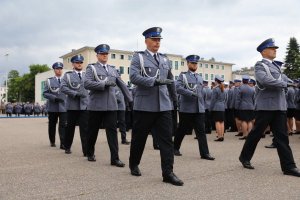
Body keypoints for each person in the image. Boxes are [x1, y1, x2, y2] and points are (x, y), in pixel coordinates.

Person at [129, 27, 183, 186]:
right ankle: (134, 163)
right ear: (146, 41)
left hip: (164, 106)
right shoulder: (138, 58)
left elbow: (170, 80)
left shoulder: (165, 59)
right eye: (154, 40)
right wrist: (153, 81)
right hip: (144, 105)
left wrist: (174, 100)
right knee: (139, 138)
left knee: (167, 140)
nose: (157, 43)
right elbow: (133, 77)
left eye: (159, 40)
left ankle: (168, 173)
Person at [239, 38, 300, 177]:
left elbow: (286, 80)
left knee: (282, 137)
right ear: (264, 51)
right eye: (272, 48)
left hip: (279, 106)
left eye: (275, 48)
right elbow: (265, 80)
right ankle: (244, 157)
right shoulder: (260, 66)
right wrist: (286, 84)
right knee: (256, 134)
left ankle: (289, 167)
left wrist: (292, 83)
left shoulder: (276, 67)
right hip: (266, 106)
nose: (275, 50)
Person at [84, 44, 132, 167]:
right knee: (92, 131)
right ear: (97, 55)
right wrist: (103, 85)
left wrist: (130, 99)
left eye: (106, 54)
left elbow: (122, 85)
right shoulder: (92, 68)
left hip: (111, 105)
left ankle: (115, 158)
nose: (105, 56)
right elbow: (87, 84)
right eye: (102, 54)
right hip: (96, 105)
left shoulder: (113, 70)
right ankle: (90, 153)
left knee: (112, 132)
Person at [173, 55, 214, 160]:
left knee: (201, 131)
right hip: (187, 108)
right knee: (182, 130)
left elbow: (201, 92)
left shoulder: (199, 77)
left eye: (196, 63)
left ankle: (205, 153)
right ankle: (174, 148)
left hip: (199, 109)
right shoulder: (183, 76)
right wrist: (190, 93)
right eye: (192, 63)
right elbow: (177, 88)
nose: (194, 65)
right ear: (188, 64)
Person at [60, 55, 88, 156]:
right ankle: (67, 147)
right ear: (73, 64)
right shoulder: (67, 75)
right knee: (70, 128)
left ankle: (86, 151)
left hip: (84, 106)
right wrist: (75, 93)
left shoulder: (87, 75)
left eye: (81, 62)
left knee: (85, 129)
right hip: (72, 106)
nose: (79, 64)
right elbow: (63, 87)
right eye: (77, 62)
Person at [43, 62, 67, 149]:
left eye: (60, 69)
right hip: (52, 107)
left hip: (64, 107)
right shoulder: (49, 81)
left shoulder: (66, 80)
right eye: (57, 69)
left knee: (63, 125)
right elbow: (45, 93)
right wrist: (54, 98)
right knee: (52, 125)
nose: (59, 70)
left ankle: (63, 143)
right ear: (54, 70)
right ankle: (52, 141)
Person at [235, 75, 255, 140]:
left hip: (243, 107)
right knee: (249, 121)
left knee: (244, 121)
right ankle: (249, 134)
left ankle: (245, 134)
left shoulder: (240, 88)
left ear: (243, 80)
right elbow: (253, 99)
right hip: (251, 106)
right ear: (248, 81)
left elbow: (238, 99)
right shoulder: (252, 88)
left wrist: (236, 107)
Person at [210, 75, 226, 141]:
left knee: (217, 122)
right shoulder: (223, 89)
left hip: (216, 107)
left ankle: (219, 136)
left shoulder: (215, 89)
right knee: (222, 122)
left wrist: (210, 108)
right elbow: (225, 99)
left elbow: (213, 100)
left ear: (216, 81)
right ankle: (221, 135)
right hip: (222, 107)